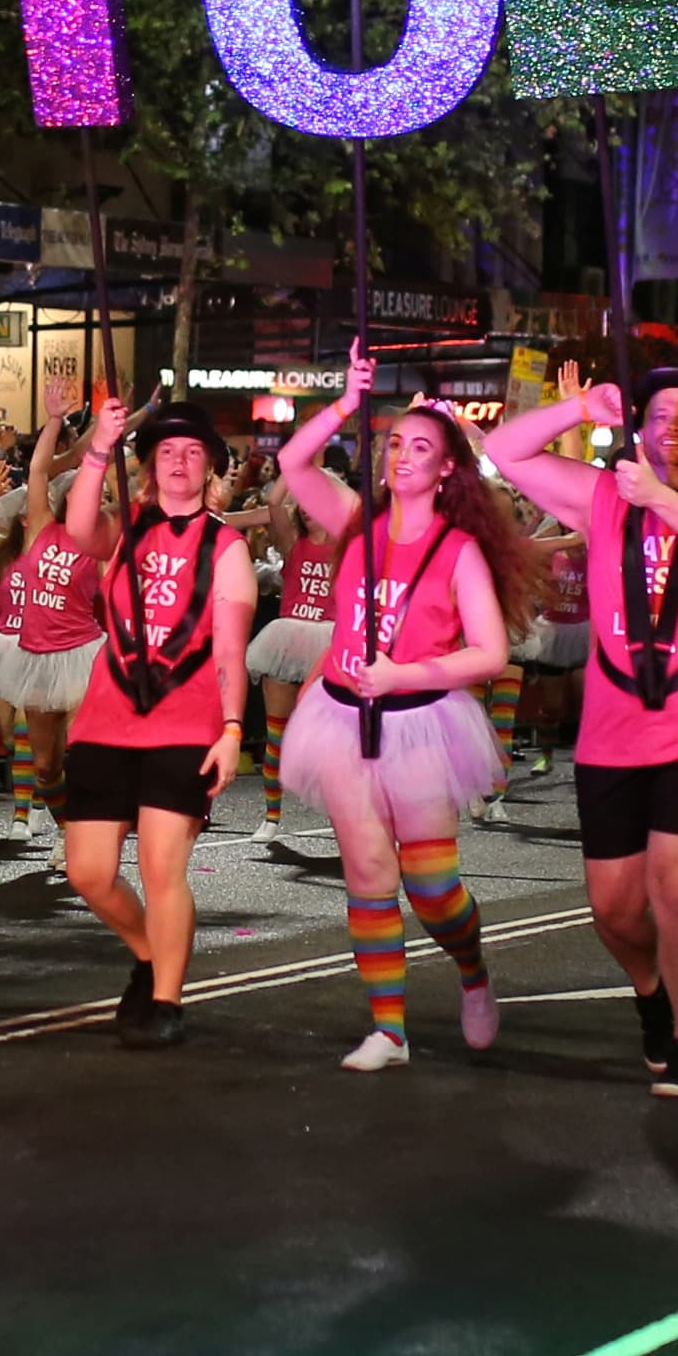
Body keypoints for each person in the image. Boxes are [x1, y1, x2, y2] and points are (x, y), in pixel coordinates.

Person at [487, 364, 678, 1097]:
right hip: (616, 727)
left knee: (675, 881)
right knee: (613, 905)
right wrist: (577, 406)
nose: (672, 426)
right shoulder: (605, 495)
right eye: (660, 413)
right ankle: (651, 992)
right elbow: (506, 450)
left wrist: (661, 501)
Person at [273, 353, 533, 1073]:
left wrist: (405, 673)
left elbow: (489, 650)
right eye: (394, 442)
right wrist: (343, 400)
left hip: (421, 721)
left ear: (449, 469)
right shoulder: (357, 522)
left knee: (433, 888)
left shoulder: (459, 551)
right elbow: (294, 465)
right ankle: (390, 1029)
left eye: (422, 446)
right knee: (366, 871)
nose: (403, 455)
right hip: (340, 714)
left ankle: (473, 971)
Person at [55, 398, 261, 1046]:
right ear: (146, 466)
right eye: (166, 450)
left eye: (193, 452)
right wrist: (98, 446)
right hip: (106, 717)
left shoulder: (227, 547)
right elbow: (77, 527)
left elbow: (230, 649)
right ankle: (148, 952)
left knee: (161, 866)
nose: (178, 460)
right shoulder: (127, 527)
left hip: (185, 721)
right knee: (88, 871)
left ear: (211, 471)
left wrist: (231, 728)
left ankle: (167, 997)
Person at [0, 425, 99, 865]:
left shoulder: (101, 544)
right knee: (45, 766)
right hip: (36, 656)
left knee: (81, 750)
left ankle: (83, 834)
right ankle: (66, 829)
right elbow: (38, 469)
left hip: (82, 655)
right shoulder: (39, 531)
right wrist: (54, 420)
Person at [245, 475, 348, 844]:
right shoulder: (292, 543)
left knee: (334, 742)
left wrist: (326, 480)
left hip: (328, 644)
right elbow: (274, 504)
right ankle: (272, 816)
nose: (306, 507)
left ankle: (344, 817)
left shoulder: (347, 544)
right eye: (302, 501)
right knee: (277, 735)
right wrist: (293, 467)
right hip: (286, 641)